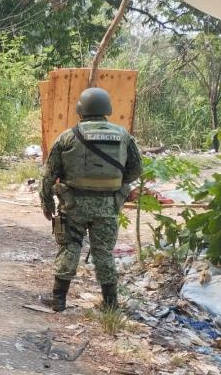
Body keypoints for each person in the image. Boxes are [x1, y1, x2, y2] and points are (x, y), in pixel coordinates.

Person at [39, 87, 141, 312]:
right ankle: (111, 304)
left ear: (80, 110)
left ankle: (58, 299)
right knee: (104, 252)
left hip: (72, 205)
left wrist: (47, 204)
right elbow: (135, 170)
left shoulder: (68, 136)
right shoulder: (123, 135)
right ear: (107, 109)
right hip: (108, 206)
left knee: (69, 247)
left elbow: (47, 176)